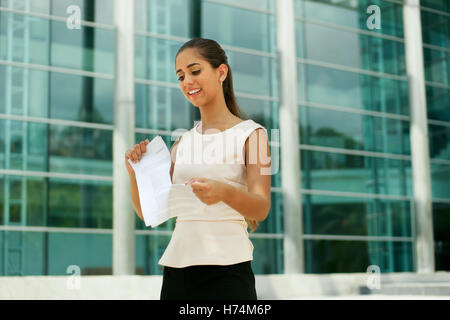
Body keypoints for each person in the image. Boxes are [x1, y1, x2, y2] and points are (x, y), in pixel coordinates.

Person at [125, 38, 271, 300]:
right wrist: (135, 174)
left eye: (195, 71)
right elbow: (149, 213)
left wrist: (223, 192)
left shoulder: (253, 134)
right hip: (177, 275)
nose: (187, 82)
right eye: (180, 76)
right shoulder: (181, 143)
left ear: (221, 72)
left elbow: (261, 207)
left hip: (228, 274)